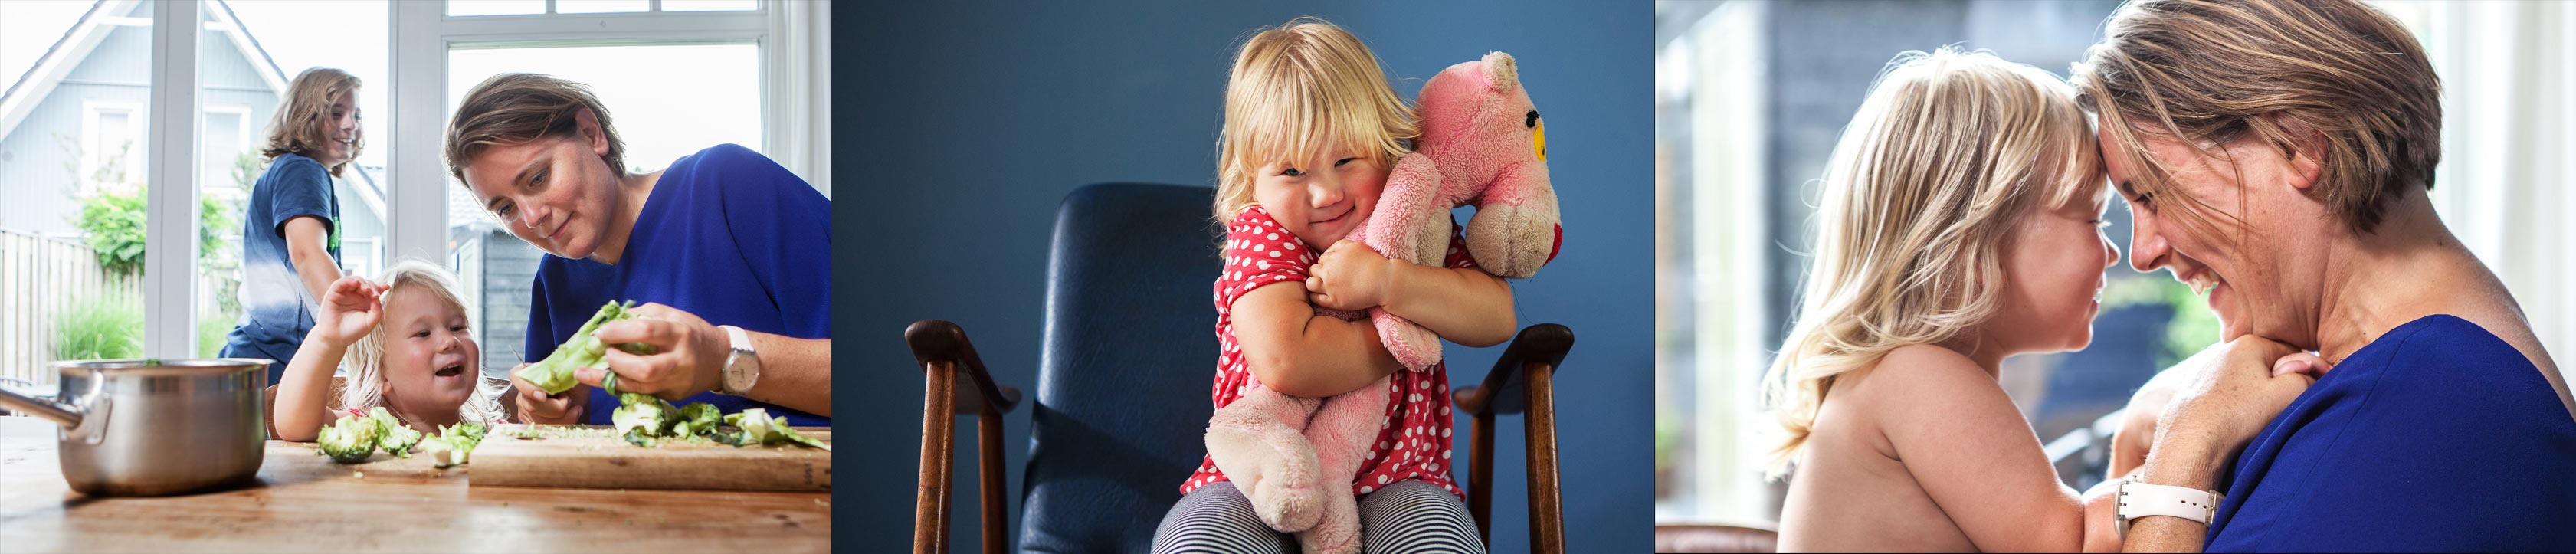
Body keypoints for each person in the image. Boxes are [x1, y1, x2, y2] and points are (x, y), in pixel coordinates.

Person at [2072, 0, 2576, 550]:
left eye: (2154, 191)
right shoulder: (2434, 377)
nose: (2142, 252)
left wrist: (2187, 449)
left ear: (2299, 143)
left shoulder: (2425, 408)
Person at [1149, 18, 1516, 554]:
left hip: (1400, 476)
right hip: (1264, 477)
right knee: (1197, 539)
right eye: (1292, 171)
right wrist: (1407, 340)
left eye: (1346, 159)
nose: (1324, 192)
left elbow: (1498, 315)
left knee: (1440, 541)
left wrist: (1390, 281)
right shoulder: (1262, 233)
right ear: (1252, 179)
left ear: (1386, 149)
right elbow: (1288, 362)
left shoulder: (1412, 223)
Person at [1762, 48, 2132, 552]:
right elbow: (2073, 546)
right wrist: (2200, 414)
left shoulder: (1891, 378)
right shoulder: (1915, 377)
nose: (2113, 251)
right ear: (1972, 237)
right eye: (2092, 218)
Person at [444, 74, 832, 427]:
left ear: (591, 132)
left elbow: (882, 367)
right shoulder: (554, 281)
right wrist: (547, 416)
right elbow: (571, 438)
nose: (531, 218)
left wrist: (723, 360)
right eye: (506, 209)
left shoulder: (731, 184)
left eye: (538, 178)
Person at [222, 67, 361, 383]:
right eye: (337, 113)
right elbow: (307, 254)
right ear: (306, 117)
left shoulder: (289, 171)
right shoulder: (302, 171)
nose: (351, 124)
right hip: (278, 360)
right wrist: (367, 335)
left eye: (356, 115)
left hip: (263, 354)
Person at [270, 260, 511, 441]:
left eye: (457, 327)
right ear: (380, 375)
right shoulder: (367, 428)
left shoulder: (494, 433)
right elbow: (294, 425)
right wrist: (326, 340)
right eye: (423, 334)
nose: (450, 340)